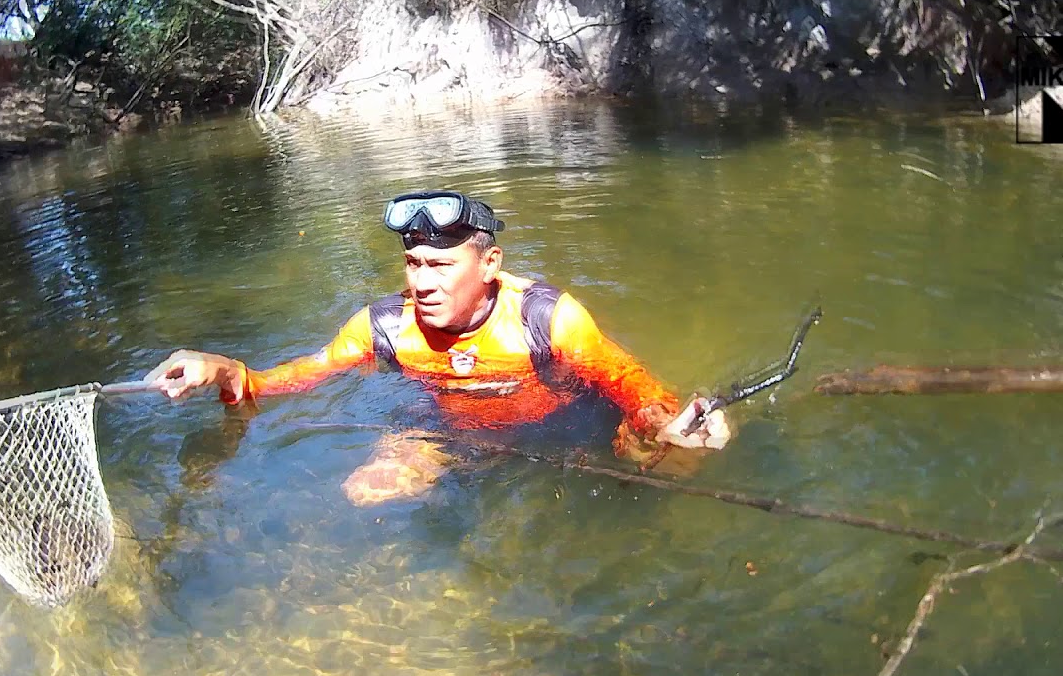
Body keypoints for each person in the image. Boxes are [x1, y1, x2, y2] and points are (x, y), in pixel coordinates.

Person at [146, 190, 730, 506]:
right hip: (452, 429)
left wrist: (671, 421)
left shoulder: (548, 319)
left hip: (563, 418)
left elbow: (632, 386)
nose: (422, 282)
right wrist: (223, 369)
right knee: (369, 495)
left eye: (442, 265)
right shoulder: (384, 326)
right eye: (413, 263)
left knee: (677, 455)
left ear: (490, 263)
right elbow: (292, 379)